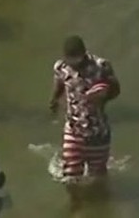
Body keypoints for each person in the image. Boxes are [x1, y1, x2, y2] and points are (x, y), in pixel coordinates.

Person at [49, 36, 120, 198]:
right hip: (73, 129)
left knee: (98, 176)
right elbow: (59, 83)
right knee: (70, 176)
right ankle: (76, 206)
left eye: (76, 58)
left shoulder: (101, 66)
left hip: (97, 131)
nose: (74, 64)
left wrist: (105, 93)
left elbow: (116, 89)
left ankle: (99, 205)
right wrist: (53, 100)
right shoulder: (61, 67)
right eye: (70, 59)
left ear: (84, 53)